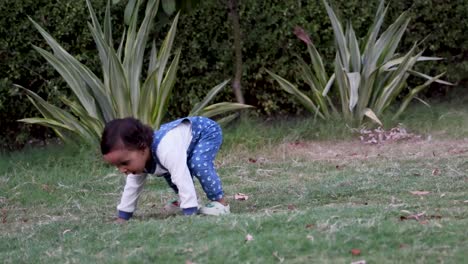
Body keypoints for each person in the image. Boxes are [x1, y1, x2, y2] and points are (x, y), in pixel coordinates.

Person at [100, 116, 230, 221]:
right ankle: (194, 201)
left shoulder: (166, 150)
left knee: (198, 164)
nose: (122, 170)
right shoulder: (139, 159)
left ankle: (221, 203)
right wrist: (123, 216)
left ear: (142, 148)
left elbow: (181, 176)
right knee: (169, 173)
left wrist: (189, 212)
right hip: (181, 145)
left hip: (204, 132)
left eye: (124, 163)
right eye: (117, 166)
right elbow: (132, 188)